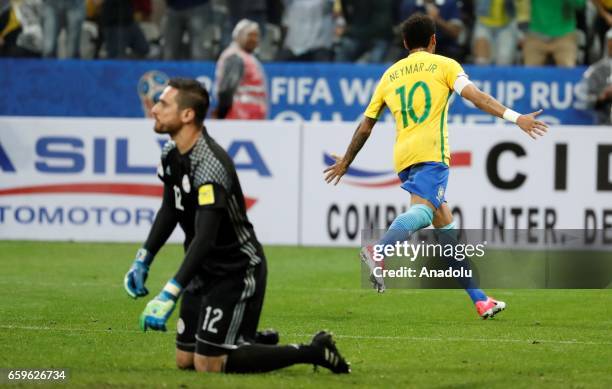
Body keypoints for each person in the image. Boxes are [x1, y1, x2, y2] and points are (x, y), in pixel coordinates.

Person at [324, 14, 548, 319]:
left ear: (405, 43)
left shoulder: (389, 75)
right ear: (433, 40)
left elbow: (366, 126)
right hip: (431, 153)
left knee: (445, 225)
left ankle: (480, 299)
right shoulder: (445, 65)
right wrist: (516, 117)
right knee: (425, 213)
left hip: (403, 157)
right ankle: (379, 250)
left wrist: (346, 162)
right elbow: (477, 98)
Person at [123, 77, 350, 374]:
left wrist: (169, 291)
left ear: (187, 115)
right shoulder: (170, 153)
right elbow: (170, 208)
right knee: (185, 360)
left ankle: (314, 350)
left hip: (236, 269)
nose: (154, 109)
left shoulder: (210, 164)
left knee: (209, 364)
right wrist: (143, 259)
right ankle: (251, 339)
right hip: (202, 268)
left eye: (163, 104)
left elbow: (205, 236)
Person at [213, 19, 268, 119]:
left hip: (250, 116)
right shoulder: (235, 57)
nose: (254, 40)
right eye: (250, 35)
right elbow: (227, 89)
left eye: (256, 36)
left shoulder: (246, 56)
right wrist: (221, 114)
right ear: (239, 36)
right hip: (239, 115)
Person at [522, 0, 585, 67]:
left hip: (565, 35)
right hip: (535, 35)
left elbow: (580, 4)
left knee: (567, 72)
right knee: (529, 73)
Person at [581, 28, 612, 124]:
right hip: (604, 123)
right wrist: (601, 96)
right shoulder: (596, 71)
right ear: (607, 43)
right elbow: (582, 100)